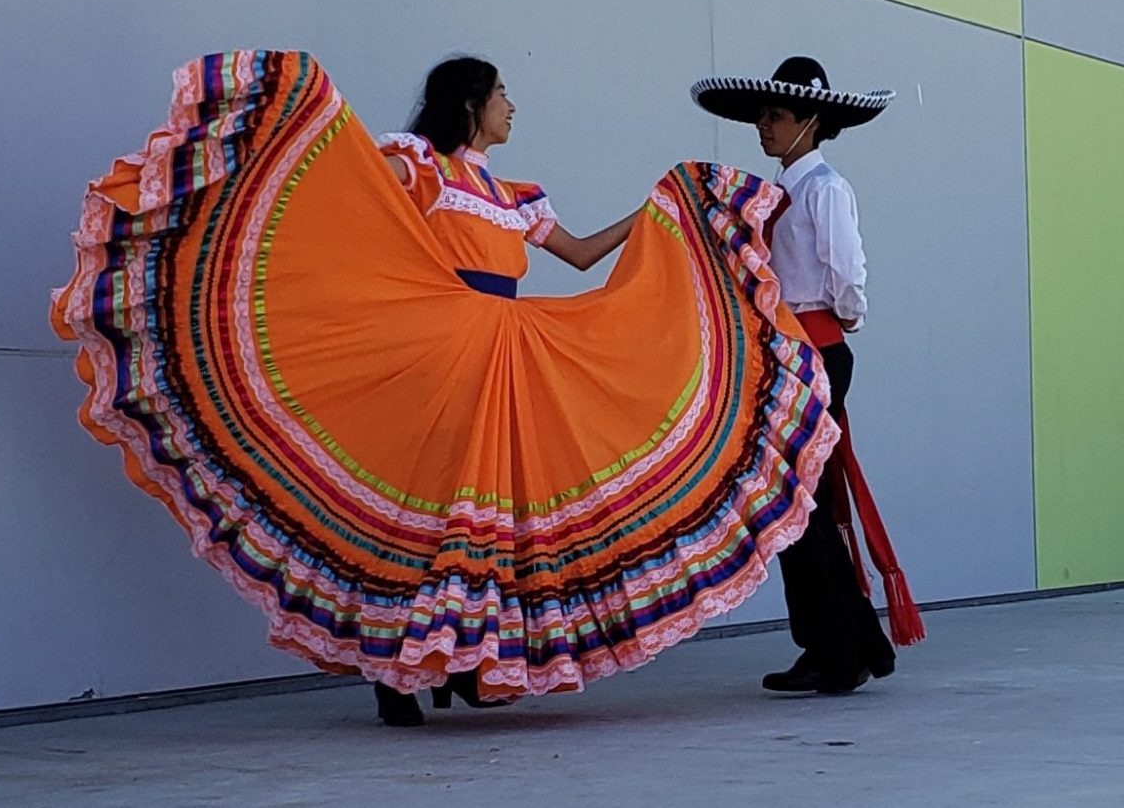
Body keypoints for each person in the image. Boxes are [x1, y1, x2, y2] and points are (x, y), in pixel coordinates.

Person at [51, 49, 839, 729]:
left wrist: (668, 205)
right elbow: (358, 204)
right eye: (503, 96)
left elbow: (583, 253)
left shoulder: (516, 196)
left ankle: (465, 666)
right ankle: (390, 673)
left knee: (488, 527)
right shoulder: (418, 166)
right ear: (471, 105)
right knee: (414, 522)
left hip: (505, 358)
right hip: (433, 352)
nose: (512, 108)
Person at [692, 57, 925, 695]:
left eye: (775, 116)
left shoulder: (825, 188)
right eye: (762, 116)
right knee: (793, 501)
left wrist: (844, 319)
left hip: (816, 346)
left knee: (803, 500)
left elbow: (848, 274)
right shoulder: (770, 193)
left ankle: (840, 647)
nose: (762, 126)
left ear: (809, 122)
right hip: (787, 350)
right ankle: (839, 644)